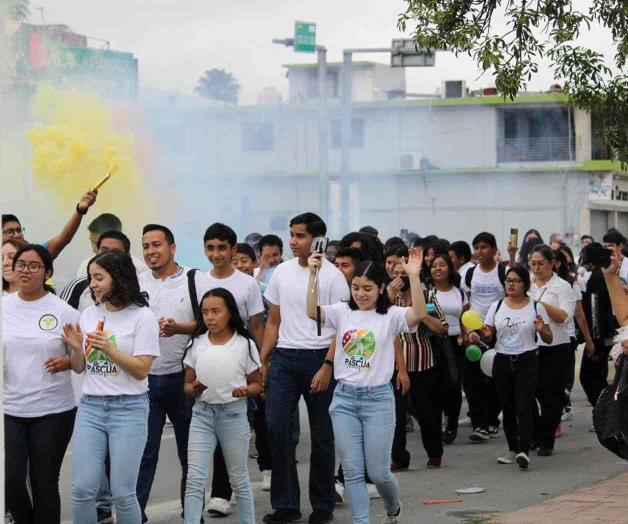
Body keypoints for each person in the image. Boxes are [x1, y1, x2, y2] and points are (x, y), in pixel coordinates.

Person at [306, 251, 425, 524]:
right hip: (344, 400)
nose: (360, 294)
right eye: (356, 287)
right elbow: (312, 311)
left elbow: (418, 313)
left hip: (378, 401)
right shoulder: (342, 312)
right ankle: (362, 521)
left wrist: (414, 277)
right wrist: (313, 275)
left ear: (381, 288)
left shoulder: (391, 316)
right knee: (352, 471)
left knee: (379, 471)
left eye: (367, 289)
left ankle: (393, 506)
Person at [260, 212, 349, 524]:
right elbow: (273, 320)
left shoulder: (334, 277)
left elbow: (342, 326)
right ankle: (286, 505)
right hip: (284, 358)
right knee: (276, 428)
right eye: (291, 234)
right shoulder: (281, 272)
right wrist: (263, 358)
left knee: (322, 434)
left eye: (300, 236)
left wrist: (327, 364)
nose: (293, 241)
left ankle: (322, 505)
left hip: (319, 359)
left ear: (318, 240)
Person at [63, 250, 160, 524]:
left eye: (98, 277)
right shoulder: (89, 314)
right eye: (91, 277)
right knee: (82, 489)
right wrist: (75, 349)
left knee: (123, 493)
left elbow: (142, 370)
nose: (92, 284)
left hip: (128, 408)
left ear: (118, 278)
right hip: (91, 406)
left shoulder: (142, 317)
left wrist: (111, 349)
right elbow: (81, 367)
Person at [136, 224, 211, 523]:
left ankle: (192, 516)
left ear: (173, 247)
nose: (151, 251)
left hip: (184, 379)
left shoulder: (195, 279)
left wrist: (179, 328)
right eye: (146, 246)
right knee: (144, 455)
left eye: (157, 244)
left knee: (190, 456)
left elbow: (213, 323)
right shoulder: (138, 283)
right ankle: (134, 516)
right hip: (145, 380)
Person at [3, 244, 79, 523]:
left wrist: (70, 360)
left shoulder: (64, 312)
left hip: (53, 410)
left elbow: (82, 361)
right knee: (10, 484)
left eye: (34, 266)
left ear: (47, 272)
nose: (25, 270)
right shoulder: (3, 306)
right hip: (10, 409)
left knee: (44, 483)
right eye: (21, 264)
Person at [183, 288, 262, 524]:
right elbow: (187, 386)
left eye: (216, 311)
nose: (210, 317)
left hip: (234, 414)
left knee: (239, 478)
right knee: (194, 480)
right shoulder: (196, 344)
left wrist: (246, 391)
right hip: (202, 415)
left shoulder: (244, 344)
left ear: (230, 313)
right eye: (205, 312)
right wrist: (194, 388)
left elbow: (257, 384)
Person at [204, 222, 265, 517]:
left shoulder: (247, 284)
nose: (216, 254)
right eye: (210, 248)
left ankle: (245, 482)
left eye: (222, 248)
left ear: (232, 249)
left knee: (240, 429)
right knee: (213, 426)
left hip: (242, 366)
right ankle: (219, 493)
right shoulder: (200, 281)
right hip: (209, 366)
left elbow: (257, 325)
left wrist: (261, 363)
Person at [471, 266, 553, 469]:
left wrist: (542, 330)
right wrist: (478, 334)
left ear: (525, 284)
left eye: (516, 280)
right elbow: (488, 332)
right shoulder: (497, 306)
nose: (511, 284)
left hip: (527, 360)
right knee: (507, 408)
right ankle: (512, 448)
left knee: (523, 406)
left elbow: (549, 338)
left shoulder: (535, 306)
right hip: (502, 361)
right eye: (508, 280)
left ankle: (524, 450)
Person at [389, 255, 448, 471]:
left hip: (423, 363)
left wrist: (420, 314)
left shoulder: (427, 296)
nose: (399, 278)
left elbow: (442, 328)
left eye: (403, 274)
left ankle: (434, 452)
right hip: (395, 366)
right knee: (395, 415)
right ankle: (399, 457)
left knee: (427, 413)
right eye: (395, 274)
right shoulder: (389, 299)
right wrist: (388, 295)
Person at [528, 244, 575, 456]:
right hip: (531, 345)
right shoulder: (528, 284)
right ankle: (536, 433)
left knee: (551, 395)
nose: (537, 268)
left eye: (541, 264)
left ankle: (546, 440)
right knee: (530, 391)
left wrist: (542, 304)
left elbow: (565, 316)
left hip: (557, 346)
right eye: (533, 264)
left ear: (551, 263)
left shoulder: (562, 286)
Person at [461, 232, 505, 441]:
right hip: (475, 332)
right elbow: (467, 303)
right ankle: (479, 424)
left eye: (484, 247)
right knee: (473, 379)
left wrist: (495, 329)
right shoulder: (470, 273)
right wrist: (468, 330)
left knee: (495, 377)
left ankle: (492, 420)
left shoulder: (502, 271)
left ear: (494, 250)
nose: (480, 251)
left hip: (498, 331)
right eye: (476, 247)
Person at [429, 254, 468, 444]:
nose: (438, 269)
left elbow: (465, 318)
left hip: (455, 343)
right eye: (434, 265)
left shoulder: (459, 293)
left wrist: (469, 333)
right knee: (435, 385)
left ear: (449, 268)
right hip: (433, 342)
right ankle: (437, 422)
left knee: (453, 384)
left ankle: (451, 421)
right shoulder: (427, 292)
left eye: (442, 265)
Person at [2, 190, 97, 259]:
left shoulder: (36, 254)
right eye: (10, 231)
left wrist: (80, 210)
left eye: (19, 230)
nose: (17, 235)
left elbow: (63, 239)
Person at [578, 243, 618, 408]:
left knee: (588, 377)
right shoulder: (602, 275)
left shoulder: (596, 278)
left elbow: (595, 312)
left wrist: (593, 341)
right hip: (606, 334)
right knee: (599, 377)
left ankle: (605, 413)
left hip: (599, 337)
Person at [61, 230, 133, 312]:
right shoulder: (78, 286)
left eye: (115, 252)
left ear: (128, 256)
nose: (108, 256)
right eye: (104, 250)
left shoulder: (139, 288)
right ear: (97, 252)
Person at [75, 213, 148, 278]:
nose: (93, 249)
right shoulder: (85, 267)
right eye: (92, 242)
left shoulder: (141, 271)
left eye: (97, 243)